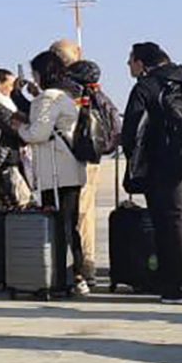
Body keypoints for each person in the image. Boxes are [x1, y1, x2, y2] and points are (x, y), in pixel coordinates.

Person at [123, 43, 182, 305]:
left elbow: (132, 131)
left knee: (175, 221)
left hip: (169, 162)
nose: (128, 66)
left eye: (130, 61)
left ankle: (181, 287)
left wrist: (136, 159)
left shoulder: (146, 86)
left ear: (142, 63)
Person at [20, 50, 93, 296]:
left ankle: (60, 274)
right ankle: (79, 275)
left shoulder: (48, 98)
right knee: (71, 224)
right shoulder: (66, 96)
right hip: (71, 169)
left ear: (42, 73)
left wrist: (19, 126)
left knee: (58, 226)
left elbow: (37, 134)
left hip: (55, 172)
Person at [49, 39, 117, 278]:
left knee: (77, 212)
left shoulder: (63, 89)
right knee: (86, 211)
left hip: (74, 157)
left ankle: (79, 264)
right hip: (93, 155)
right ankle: (86, 262)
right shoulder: (91, 85)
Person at [0, 68, 31, 209]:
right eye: (10, 85)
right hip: (4, 161)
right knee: (20, 201)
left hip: (11, 160)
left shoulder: (6, 106)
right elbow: (15, 128)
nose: (12, 88)